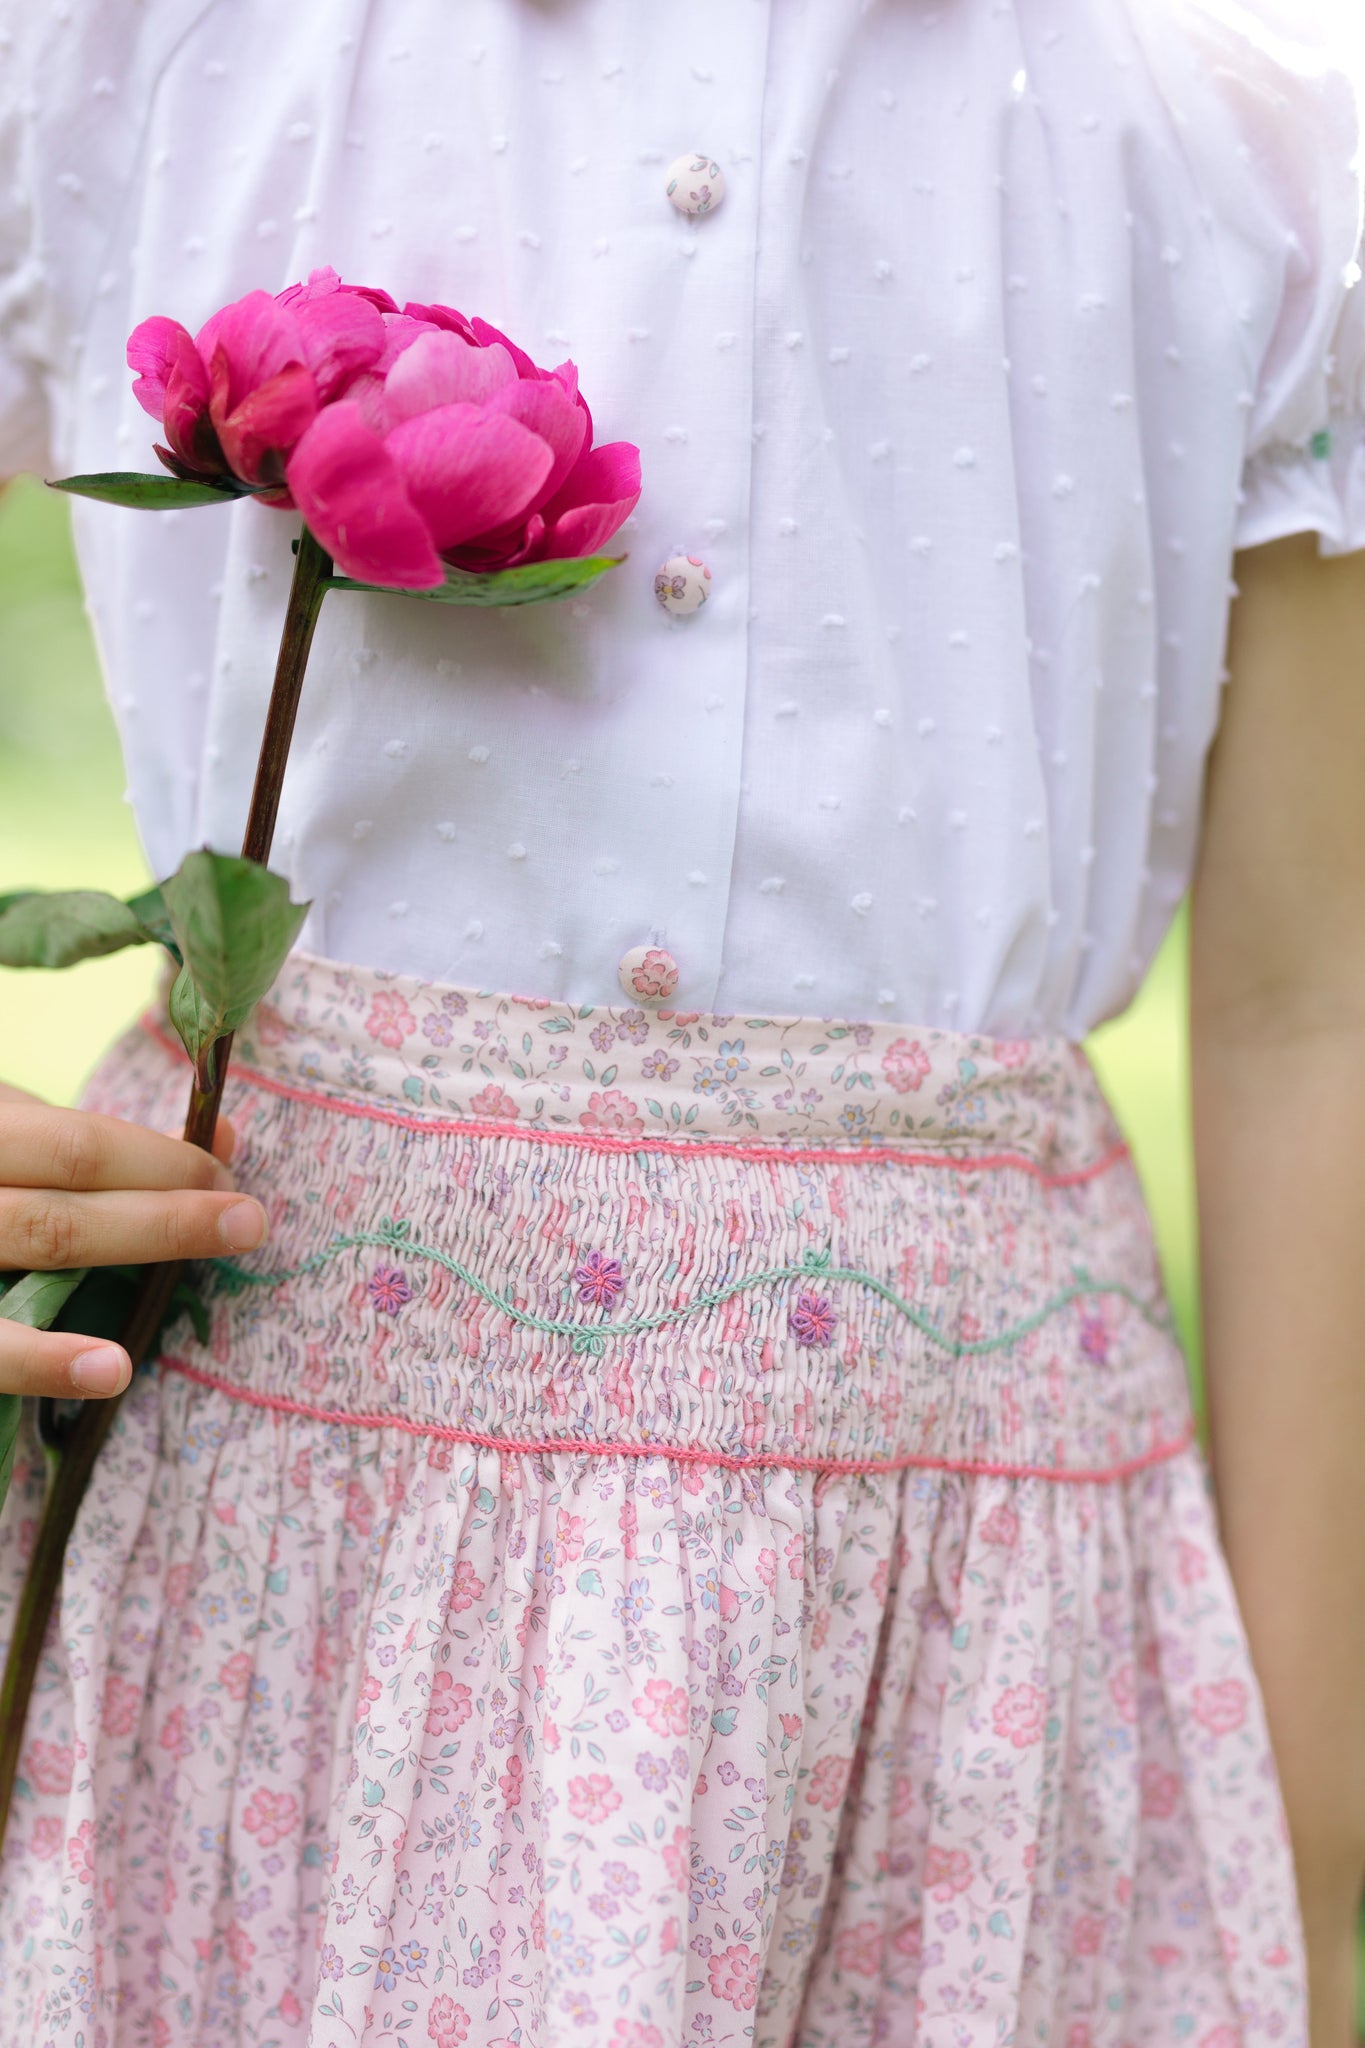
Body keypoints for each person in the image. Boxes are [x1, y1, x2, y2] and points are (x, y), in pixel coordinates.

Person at [0, 2, 1362, 2042]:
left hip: (957, 1648)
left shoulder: (1240, 135)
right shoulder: (135, 47)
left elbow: (1304, 995)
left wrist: (1292, 1860)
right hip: (267, 1582)